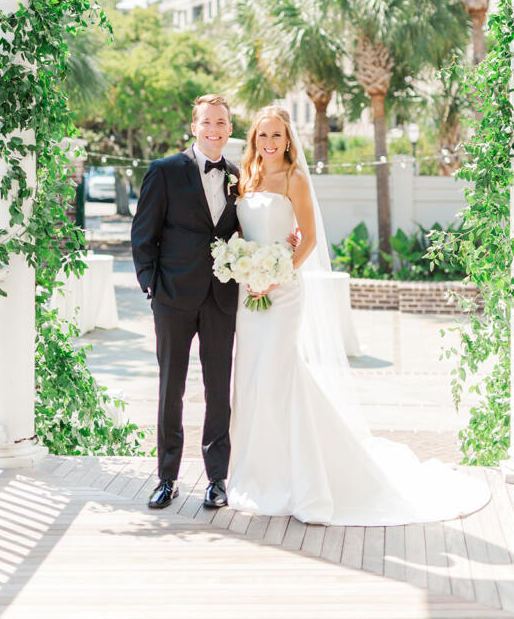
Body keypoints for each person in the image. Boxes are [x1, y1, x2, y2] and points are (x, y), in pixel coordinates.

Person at [227, 105, 491, 525]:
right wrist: (244, 267)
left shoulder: (294, 178)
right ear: (255, 138)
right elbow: (242, 233)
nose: (270, 143)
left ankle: (300, 480)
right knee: (251, 379)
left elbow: (309, 239)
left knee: (277, 376)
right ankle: (256, 472)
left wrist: (275, 276)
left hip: (283, 292)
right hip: (249, 295)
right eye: (263, 136)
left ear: (288, 140)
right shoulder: (246, 178)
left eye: (277, 136)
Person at [131, 94, 240, 510]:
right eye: (207, 122)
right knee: (170, 389)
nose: (214, 129)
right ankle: (166, 477)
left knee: (218, 391)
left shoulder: (237, 175)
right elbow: (143, 236)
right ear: (194, 127)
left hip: (220, 298)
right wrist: (152, 287)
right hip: (173, 298)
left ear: (230, 128)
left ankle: (216, 480)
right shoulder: (163, 171)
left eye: (222, 122)